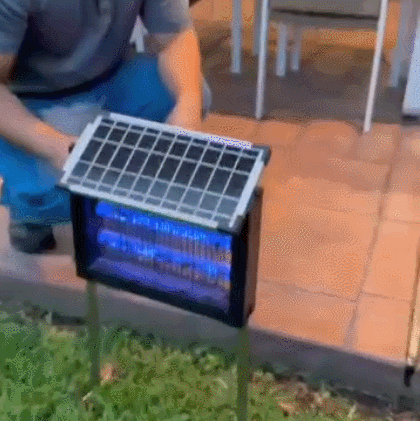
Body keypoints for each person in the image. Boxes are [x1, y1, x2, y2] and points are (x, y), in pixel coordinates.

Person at [0, 0, 212, 254]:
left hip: (112, 75)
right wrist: (54, 146)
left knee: (190, 94)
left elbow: (175, 37)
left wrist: (187, 107)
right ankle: (29, 213)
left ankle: (121, 186)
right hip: (37, 97)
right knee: (51, 193)